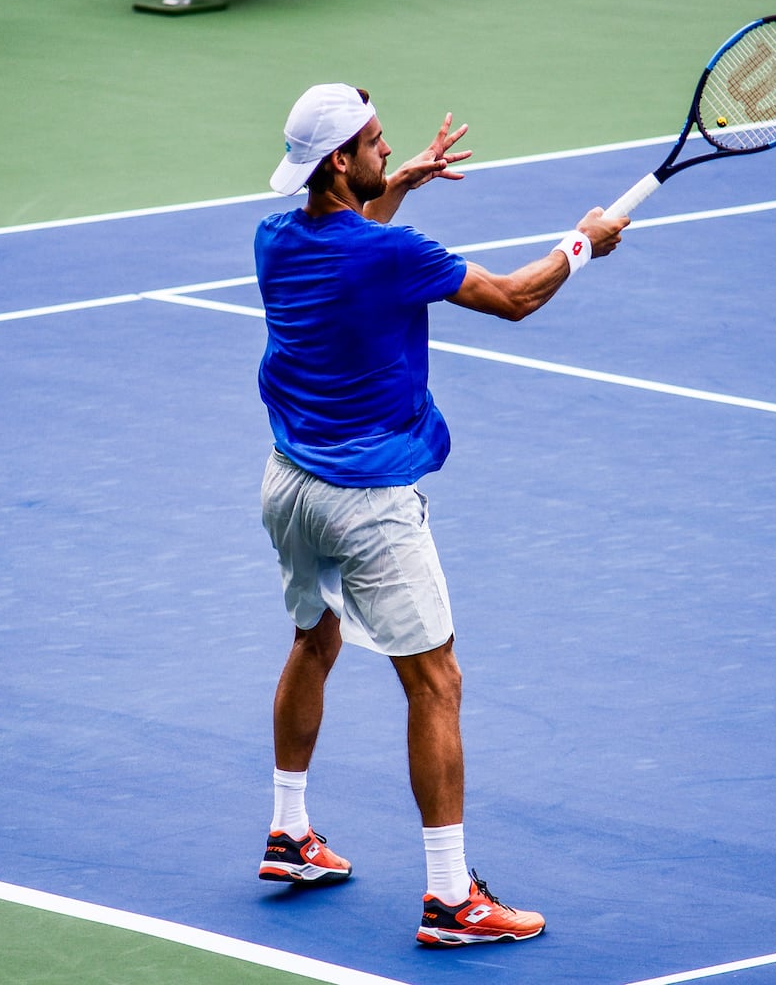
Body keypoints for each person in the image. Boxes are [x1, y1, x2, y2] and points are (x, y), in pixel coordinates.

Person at [252, 83, 627, 948]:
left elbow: (352, 237)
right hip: (368, 503)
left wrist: (402, 183)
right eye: (378, 145)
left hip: (288, 486)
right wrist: (582, 243)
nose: (391, 151)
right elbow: (513, 297)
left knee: (315, 639)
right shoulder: (392, 256)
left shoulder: (275, 238)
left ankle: (289, 833)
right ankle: (450, 898)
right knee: (435, 682)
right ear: (340, 161)